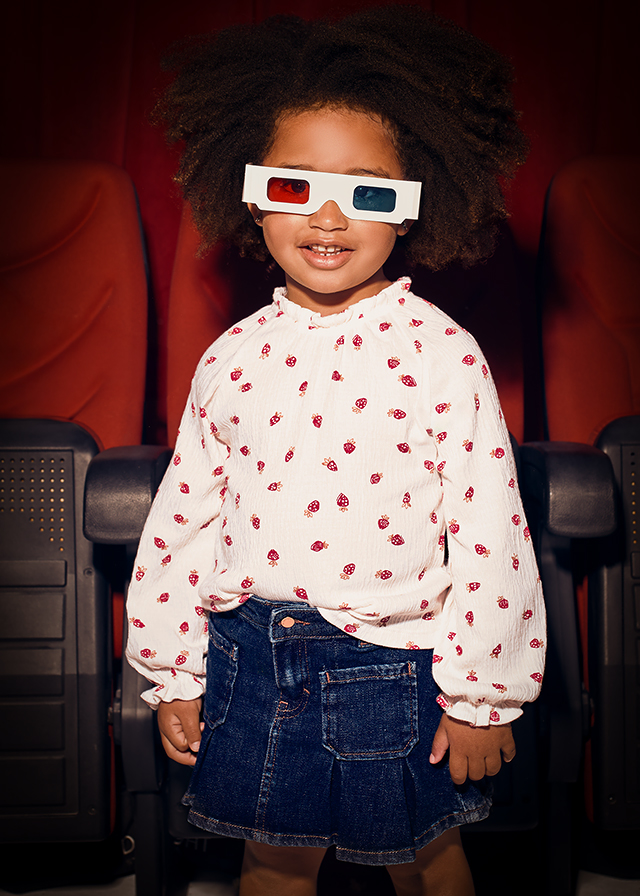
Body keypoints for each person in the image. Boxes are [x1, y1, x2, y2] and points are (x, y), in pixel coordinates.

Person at [126, 7, 546, 894]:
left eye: (368, 192)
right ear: (252, 196)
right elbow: (182, 521)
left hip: (392, 664)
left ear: (413, 208)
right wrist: (174, 671)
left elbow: (490, 531)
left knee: (429, 857)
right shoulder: (230, 356)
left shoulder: (442, 352)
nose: (327, 215)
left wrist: (483, 696)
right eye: (294, 186)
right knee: (272, 861)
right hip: (250, 656)